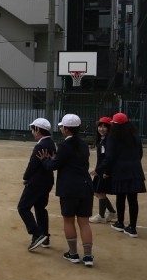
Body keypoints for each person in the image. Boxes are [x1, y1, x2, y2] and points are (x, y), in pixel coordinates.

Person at [38, 114, 95, 267]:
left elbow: (53, 166)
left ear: (66, 129)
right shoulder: (83, 145)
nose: (61, 129)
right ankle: (88, 256)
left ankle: (73, 253)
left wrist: (45, 159)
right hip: (85, 186)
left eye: (62, 127)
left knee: (68, 220)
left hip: (69, 188)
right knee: (84, 223)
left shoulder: (65, 146)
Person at [96, 112, 146, 238]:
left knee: (121, 197)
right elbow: (140, 153)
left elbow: (110, 157)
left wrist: (102, 170)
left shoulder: (113, 137)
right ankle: (132, 228)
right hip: (135, 171)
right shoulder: (135, 135)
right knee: (133, 200)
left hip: (120, 172)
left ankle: (120, 223)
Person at [18, 118, 56, 251]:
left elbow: (33, 164)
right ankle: (45, 237)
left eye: (33, 129)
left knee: (23, 207)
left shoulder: (40, 145)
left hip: (37, 182)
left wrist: (26, 177)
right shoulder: (51, 143)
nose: (32, 132)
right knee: (40, 208)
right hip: (47, 181)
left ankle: (37, 234)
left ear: (38, 130)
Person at [89, 117, 117, 223]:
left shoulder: (109, 140)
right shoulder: (102, 139)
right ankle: (112, 212)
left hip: (104, 171)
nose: (101, 129)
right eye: (100, 126)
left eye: (105, 127)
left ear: (109, 128)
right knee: (97, 192)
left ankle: (101, 216)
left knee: (101, 192)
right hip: (101, 169)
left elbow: (109, 158)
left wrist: (104, 171)